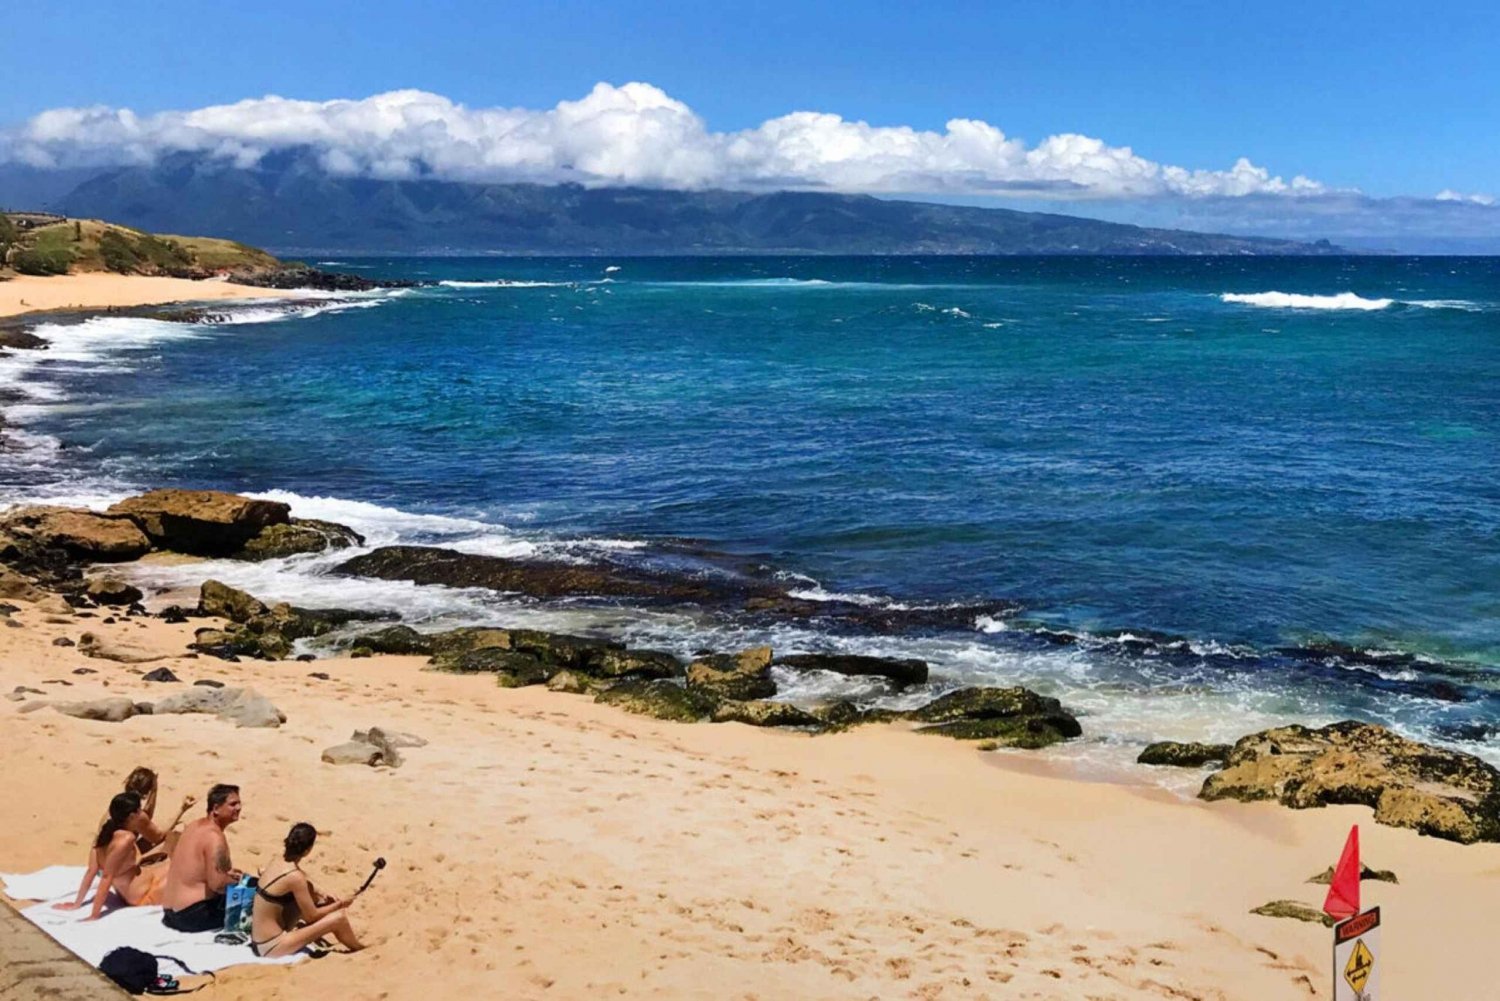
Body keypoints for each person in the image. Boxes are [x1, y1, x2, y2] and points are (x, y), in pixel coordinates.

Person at [248, 823, 365, 957]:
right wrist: (340, 904)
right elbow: (312, 916)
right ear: (307, 851)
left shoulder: (277, 860)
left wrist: (320, 891)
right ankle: (359, 949)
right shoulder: (295, 878)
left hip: (258, 939)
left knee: (314, 896)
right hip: (271, 946)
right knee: (339, 918)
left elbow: (300, 876)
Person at [53, 793, 166, 920]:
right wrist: (94, 915)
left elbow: (91, 871)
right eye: (139, 811)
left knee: (170, 865)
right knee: (183, 872)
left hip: (138, 887)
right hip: (143, 895)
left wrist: (77, 904)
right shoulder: (126, 840)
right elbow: (106, 877)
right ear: (132, 816)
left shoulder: (104, 835)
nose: (142, 814)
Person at [160, 783, 243, 933]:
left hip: (169, 912)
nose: (238, 808)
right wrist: (239, 880)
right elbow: (217, 885)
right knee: (254, 895)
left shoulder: (194, 825)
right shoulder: (215, 837)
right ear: (216, 808)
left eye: (239, 803)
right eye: (232, 804)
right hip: (191, 916)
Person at [121, 767, 196, 860]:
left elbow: (147, 816)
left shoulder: (120, 804)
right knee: (171, 840)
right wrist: (182, 809)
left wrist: (154, 790)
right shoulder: (136, 816)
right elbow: (158, 837)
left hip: (104, 860)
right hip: (113, 868)